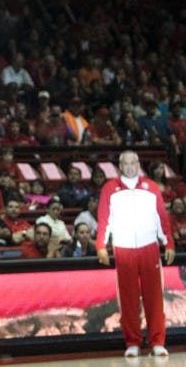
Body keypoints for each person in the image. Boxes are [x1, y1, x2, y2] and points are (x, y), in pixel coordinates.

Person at [96, 150, 175, 358]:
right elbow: (104, 218)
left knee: (155, 298)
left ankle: (157, 341)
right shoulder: (109, 189)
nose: (130, 166)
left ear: (138, 164)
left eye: (133, 162)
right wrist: (101, 245)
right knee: (128, 299)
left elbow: (161, 217)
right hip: (123, 249)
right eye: (125, 163)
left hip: (149, 247)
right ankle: (133, 342)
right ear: (120, 166)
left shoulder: (151, 187)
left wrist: (169, 244)